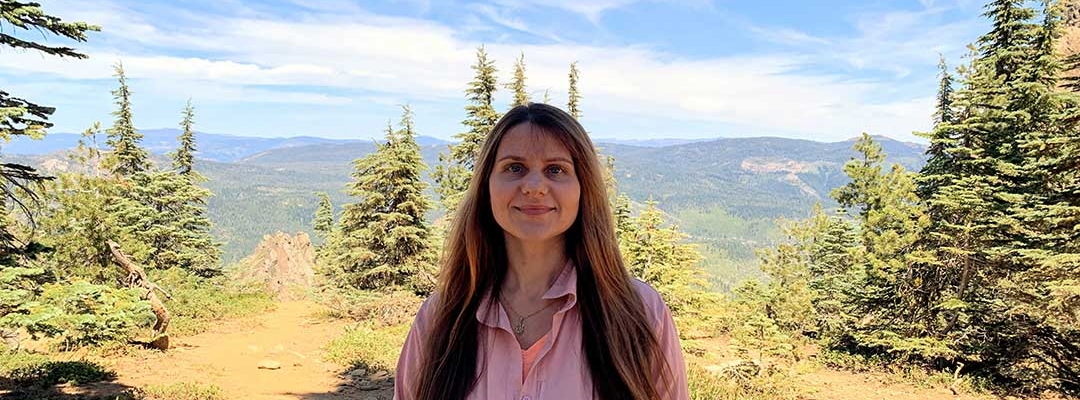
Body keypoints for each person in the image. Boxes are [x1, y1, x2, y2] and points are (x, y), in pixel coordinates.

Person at [393, 103, 688, 400]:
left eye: (555, 170)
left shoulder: (640, 314)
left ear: (583, 187)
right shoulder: (439, 319)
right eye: (515, 168)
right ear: (487, 186)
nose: (534, 186)